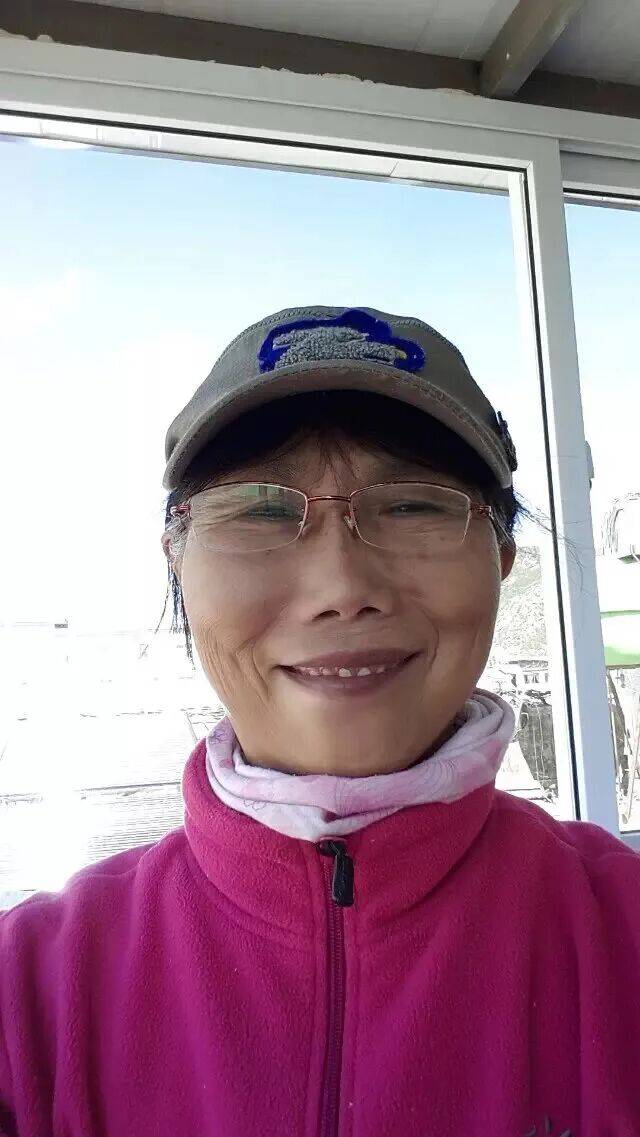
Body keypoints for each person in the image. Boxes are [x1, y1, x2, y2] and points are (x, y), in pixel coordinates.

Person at [1, 304, 639, 1137]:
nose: (342, 585)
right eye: (261, 511)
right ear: (177, 565)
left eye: (414, 506)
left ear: (502, 558)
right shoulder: (31, 996)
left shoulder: (625, 935)